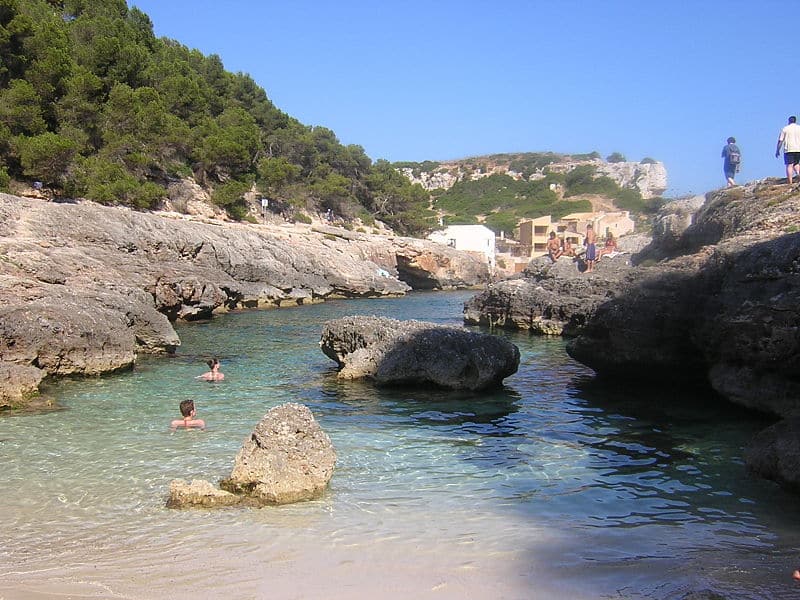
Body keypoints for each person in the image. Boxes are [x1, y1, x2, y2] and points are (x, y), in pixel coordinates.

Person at [775, 116, 800, 184]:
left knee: (789, 165)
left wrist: (777, 150)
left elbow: (780, 140)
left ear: (789, 121)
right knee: (796, 163)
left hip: (789, 149)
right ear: (795, 121)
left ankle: (790, 182)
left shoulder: (785, 129)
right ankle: (798, 173)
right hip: (798, 149)